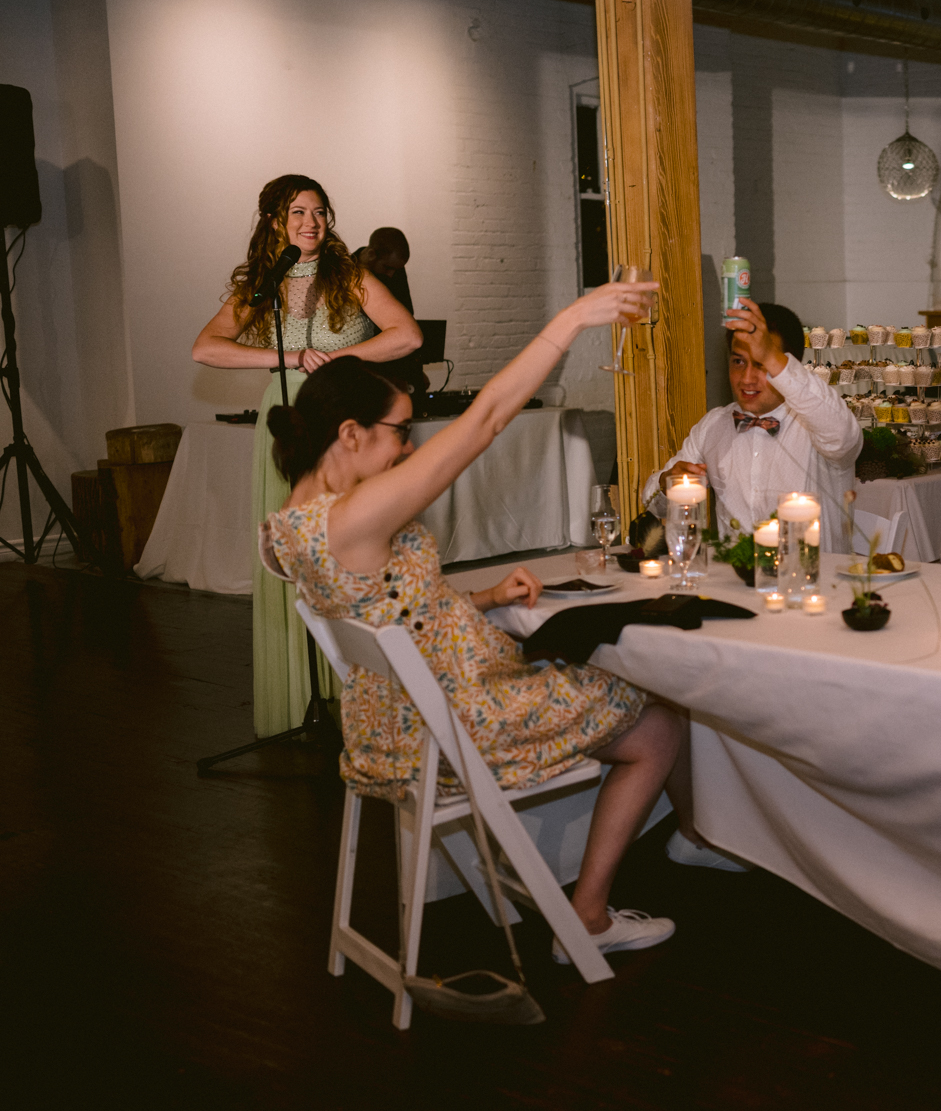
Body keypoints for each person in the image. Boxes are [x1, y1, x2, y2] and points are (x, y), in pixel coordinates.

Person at [265, 281, 700, 960]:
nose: (407, 451)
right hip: (445, 732)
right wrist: (574, 318)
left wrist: (489, 599)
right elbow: (488, 419)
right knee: (658, 721)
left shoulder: (289, 525)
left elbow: (390, 614)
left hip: (385, 729)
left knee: (576, 663)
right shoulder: (354, 517)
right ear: (348, 433)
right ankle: (587, 917)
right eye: (399, 434)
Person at [192, 175, 423, 738]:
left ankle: (360, 694)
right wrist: (290, 357)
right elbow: (205, 348)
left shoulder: (350, 275)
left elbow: (408, 335)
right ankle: (301, 700)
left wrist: (338, 359)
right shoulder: (262, 286)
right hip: (286, 413)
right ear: (276, 221)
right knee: (294, 557)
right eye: (297, 213)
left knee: (346, 546)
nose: (310, 223)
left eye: (319, 212)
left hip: (342, 412)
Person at [656, 298, 862, 545]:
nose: (746, 379)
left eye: (761, 364)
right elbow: (656, 505)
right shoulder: (713, 425)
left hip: (812, 577)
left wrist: (771, 356)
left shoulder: (818, 424)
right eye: (738, 362)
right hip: (731, 578)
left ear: (787, 365)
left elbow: (845, 435)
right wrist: (666, 483)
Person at [354, 227, 414, 314]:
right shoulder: (343, 269)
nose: (391, 275)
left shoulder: (394, 267)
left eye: (396, 269)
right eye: (387, 268)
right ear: (371, 254)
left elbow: (407, 312)